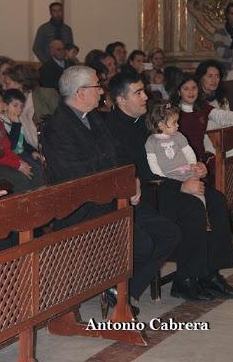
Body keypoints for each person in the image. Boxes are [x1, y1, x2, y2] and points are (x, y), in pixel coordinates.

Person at [42, 65, 180, 305]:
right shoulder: (57, 127)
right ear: (81, 92)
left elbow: (118, 155)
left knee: (169, 233)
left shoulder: (94, 117)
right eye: (98, 86)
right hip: (82, 207)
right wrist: (120, 183)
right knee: (142, 245)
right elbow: (76, 174)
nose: (101, 91)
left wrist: (132, 181)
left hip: (113, 197)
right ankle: (115, 289)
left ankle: (121, 292)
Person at [106, 71, 233, 301]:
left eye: (144, 91)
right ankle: (186, 278)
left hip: (171, 181)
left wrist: (196, 167)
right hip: (148, 192)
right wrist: (180, 186)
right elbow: (131, 171)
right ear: (121, 100)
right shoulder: (110, 128)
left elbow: (175, 151)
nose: (145, 97)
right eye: (138, 93)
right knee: (192, 207)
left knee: (216, 199)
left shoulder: (147, 120)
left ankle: (210, 273)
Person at [171, 74, 233, 171]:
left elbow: (221, 115)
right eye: (186, 89)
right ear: (179, 92)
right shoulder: (172, 112)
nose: (191, 92)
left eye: (194, 88)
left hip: (201, 156)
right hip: (182, 158)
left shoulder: (202, 107)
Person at [145, 100, 207, 211]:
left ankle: (203, 212)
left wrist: (192, 164)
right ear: (161, 125)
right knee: (181, 201)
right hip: (170, 177)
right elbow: (152, 162)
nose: (178, 125)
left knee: (198, 191)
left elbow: (188, 151)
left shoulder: (178, 136)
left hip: (187, 172)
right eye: (174, 123)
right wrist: (161, 176)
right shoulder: (151, 141)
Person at [196, 59, 233, 156]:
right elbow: (222, 117)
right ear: (201, 78)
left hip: (225, 139)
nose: (214, 80)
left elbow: (229, 123)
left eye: (217, 76)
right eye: (210, 76)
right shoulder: (196, 100)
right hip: (208, 143)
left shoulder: (222, 99)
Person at [0, 87, 41, 193]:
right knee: (22, 180)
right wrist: (17, 164)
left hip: (5, 160)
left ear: (2, 104)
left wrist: (19, 161)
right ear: (6, 106)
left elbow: (8, 148)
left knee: (36, 172)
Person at [4, 64, 60, 149]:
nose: (4, 87)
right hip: (35, 153)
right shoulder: (10, 104)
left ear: (19, 83)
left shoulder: (46, 94)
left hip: (57, 148)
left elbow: (64, 124)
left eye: (7, 84)